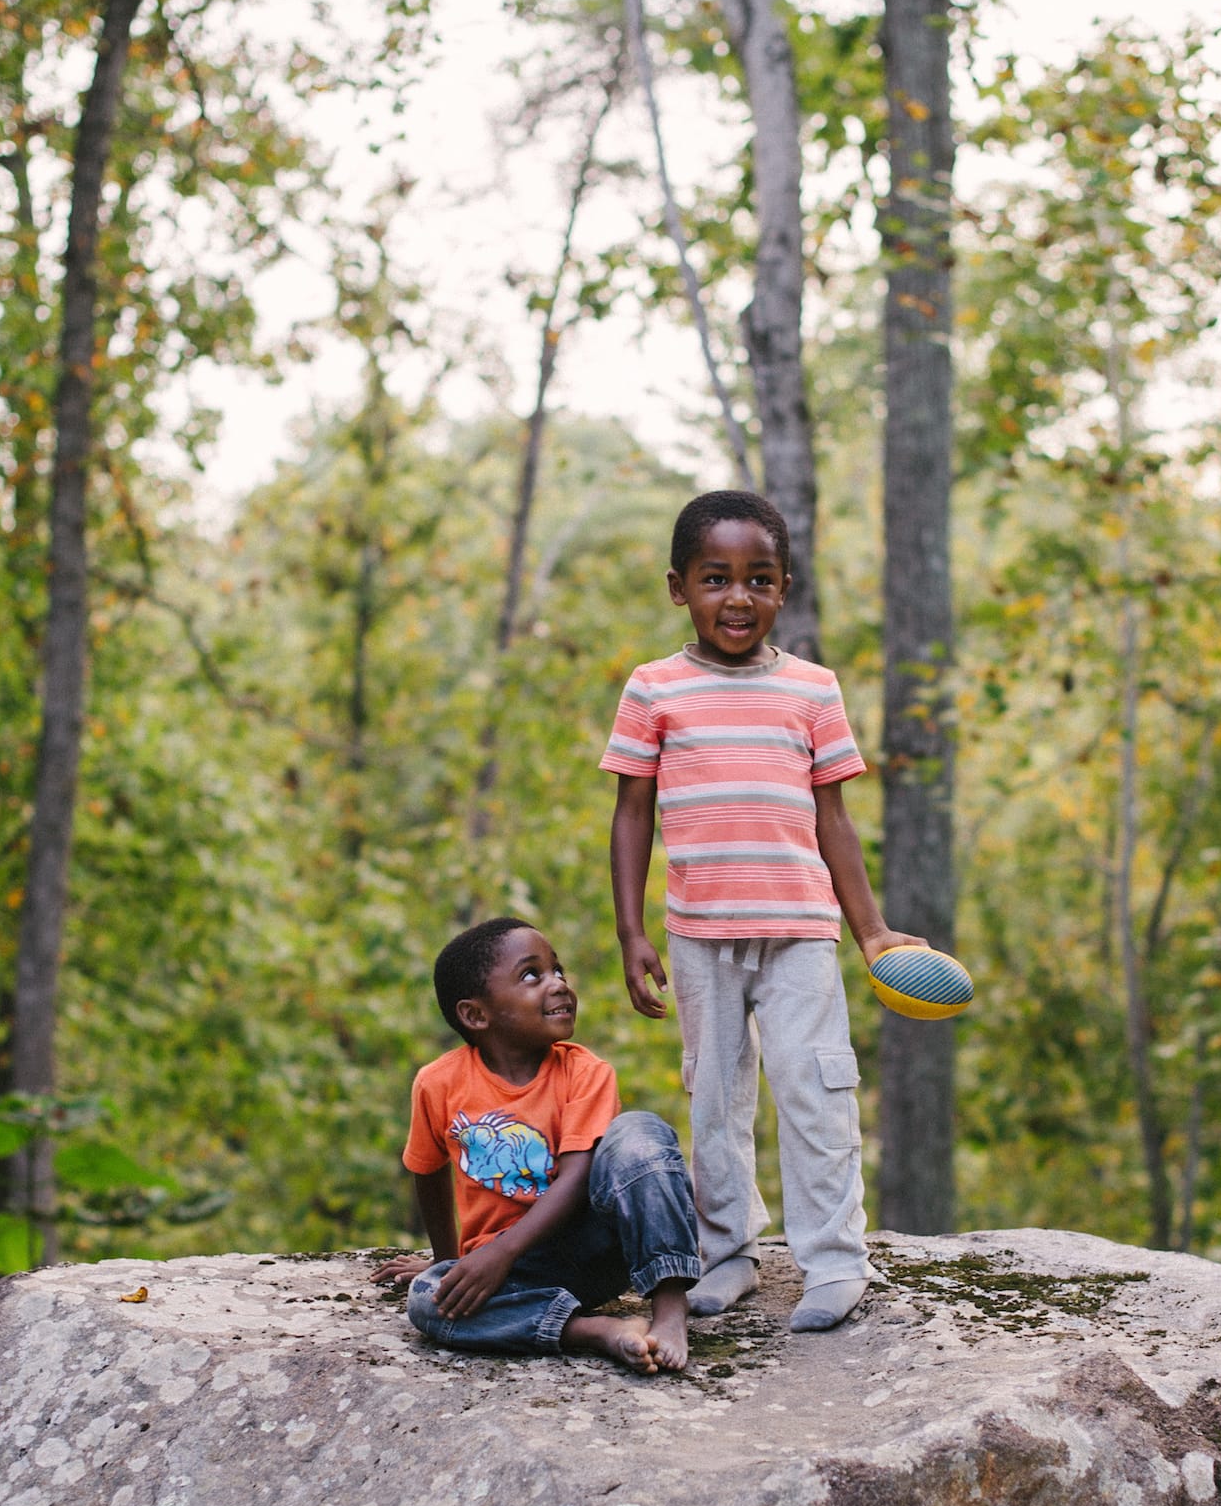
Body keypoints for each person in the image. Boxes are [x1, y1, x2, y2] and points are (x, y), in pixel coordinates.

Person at [603, 488, 924, 1335]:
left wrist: (874, 931)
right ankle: (728, 1254)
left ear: (784, 588)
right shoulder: (653, 689)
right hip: (699, 934)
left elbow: (835, 820)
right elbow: (632, 812)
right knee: (713, 1100)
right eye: (716, 579)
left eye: (758, 579)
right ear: (680, 588)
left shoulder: (813, 691)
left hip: (801, 936)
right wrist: (632, 930)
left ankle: (834, 1263)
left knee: (816, 1094)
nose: (736, 597)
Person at [374, 915, 700, 1372]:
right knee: (428, 1302)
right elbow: (427, 1172)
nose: (559, 984)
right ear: (475, 1014)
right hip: (516, 1276)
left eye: (559, 970)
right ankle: (591, 1331)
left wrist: (500, 1252)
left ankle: (669, 1307)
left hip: (597, 1251)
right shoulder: (438, 1083)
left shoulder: (584, 1072)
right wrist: (450, 1265)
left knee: (639, 1132)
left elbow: (577, 1176)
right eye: (532, 975)